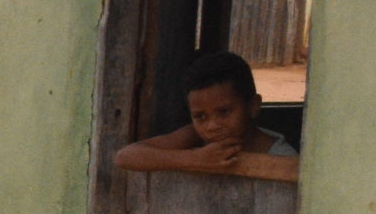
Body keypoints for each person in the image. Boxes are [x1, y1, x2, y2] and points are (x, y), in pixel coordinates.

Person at [114, 49, 300, 182]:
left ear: (253, 106)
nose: (212, 125)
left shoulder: (284, 156)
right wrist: (196, 160)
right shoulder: (194, 136)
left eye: (224, 112)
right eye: (200, 116)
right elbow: (125, 157)